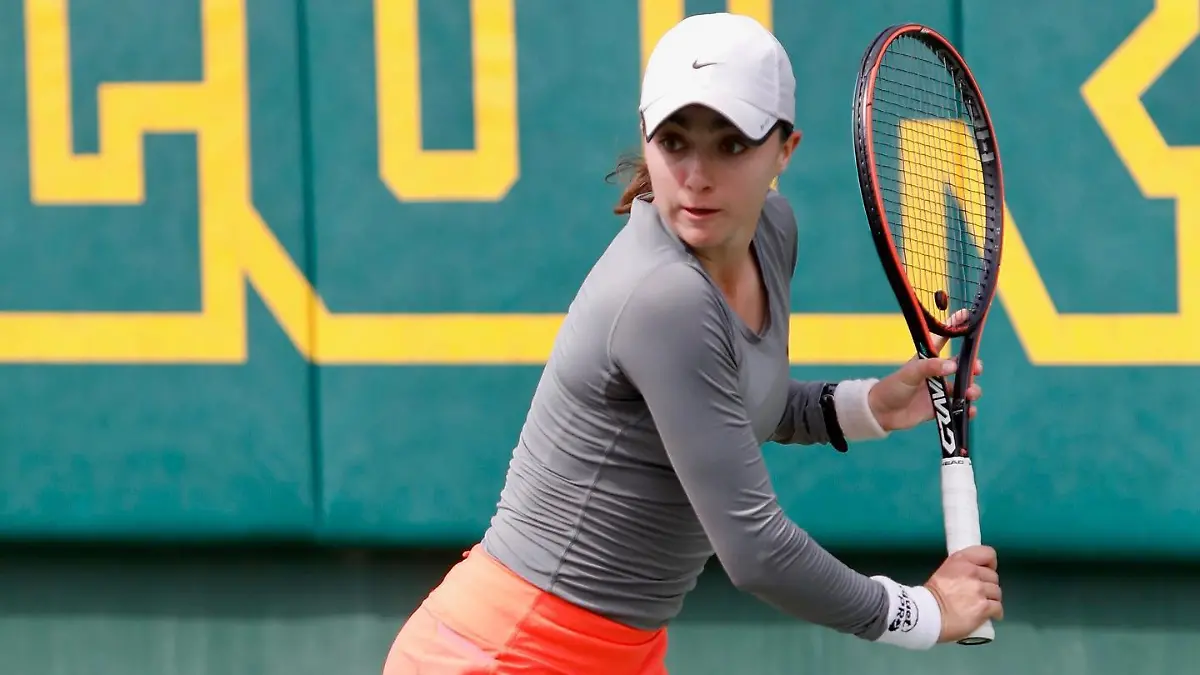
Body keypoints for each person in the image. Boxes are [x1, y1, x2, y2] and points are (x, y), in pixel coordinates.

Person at [381, 12, 1003, 675]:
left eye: (731, 145)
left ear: (784, 150)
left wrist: (866, 406)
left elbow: (726, 406)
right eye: (674, 142)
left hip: (619, 653)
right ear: (647, 138)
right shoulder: (664, 297)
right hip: (507, 652)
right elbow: (756, 550)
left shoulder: (773, 233)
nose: (696, 175)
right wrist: (923, 611)